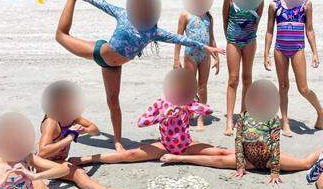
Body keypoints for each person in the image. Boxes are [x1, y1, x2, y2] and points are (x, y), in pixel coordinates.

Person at [55, 0, 222, 153]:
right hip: (98, 51)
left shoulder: (153, 32)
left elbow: (181, 38)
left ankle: (118, 141)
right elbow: (102, 3)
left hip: (112, 66)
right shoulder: (124, 15)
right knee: (60, 35)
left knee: (113, 102)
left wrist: (206, 47)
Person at [159, 80, 321, 182]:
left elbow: (275, 144)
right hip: (247, 159)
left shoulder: (272, 118)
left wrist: (275, 172)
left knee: (305, 164)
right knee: (220, 158)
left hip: (269, 159)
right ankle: (178, 157)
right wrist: (241, 165)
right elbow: (238, 141)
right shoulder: (244, 116)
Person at [69, 69, 230, 165]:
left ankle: (241, 155)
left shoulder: (187, 103)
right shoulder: (161, 102)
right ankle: (87, 159)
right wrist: (161, 116)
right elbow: (141, 122)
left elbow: (208, 110)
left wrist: (188, 106)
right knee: (128, 155)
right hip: (164, 146)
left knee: (219, 153)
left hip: (186, 145)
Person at [37, 80, 130, 189]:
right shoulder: (52, 121)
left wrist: (81, 131)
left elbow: (95, 130)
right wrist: (70, 137)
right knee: (78, 173)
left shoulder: (72, 116)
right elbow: (43, 152)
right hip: (44, 163)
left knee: (98, 158)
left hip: (60, 160)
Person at [264, 0, 323, 136]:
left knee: (303, 88)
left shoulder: (305, 3)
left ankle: (320, 111)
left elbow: (310, 29)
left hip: (298, 48)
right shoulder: (274, 5)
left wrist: (315, 52)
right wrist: (265, 54)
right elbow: (269, 31)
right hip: (279, 49)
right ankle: (285, 122)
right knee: (283, 86)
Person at [221, 0, 265, 136]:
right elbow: (225, 19)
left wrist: (248, 35)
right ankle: (230, 120)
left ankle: (243, 116)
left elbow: (257, 20)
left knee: (248, 78)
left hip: (250, 40)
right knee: (233, 79)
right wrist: (230, 38)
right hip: (233, 40)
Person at [172, 0, 219, 131]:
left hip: (204, 55)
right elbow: (178, 38)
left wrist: (216, 57)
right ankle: (186, 115)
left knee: (203, 86)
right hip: (190, 54)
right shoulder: (185, 15)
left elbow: (211, 38)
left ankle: (200, 117)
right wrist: (176, 58)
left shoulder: (208, 16)